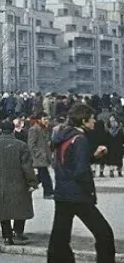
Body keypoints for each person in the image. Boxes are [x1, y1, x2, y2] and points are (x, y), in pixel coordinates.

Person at [47, 103, 115, 263]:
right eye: (91, 119)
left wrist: (92, 157)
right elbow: (80, 171)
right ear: (83, 121)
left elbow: (68, 163)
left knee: (60, 238)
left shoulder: (62, 135)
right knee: (104, 233)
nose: (94, 122)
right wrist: (90, 192)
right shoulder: (81, 139)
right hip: (78, 195)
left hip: (62, 193)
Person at [0, 119, 39, 245]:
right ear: (13, 130)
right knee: (21, 207)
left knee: (3, 210)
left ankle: (7, 236)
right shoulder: (21, 145)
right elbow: (27, 167)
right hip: (18, 182)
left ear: (1, 130)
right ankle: (18, 232)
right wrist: (32, 182)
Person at [28, 113, 54, 199]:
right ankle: (48, 193)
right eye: (44, 119)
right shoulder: (34, 129)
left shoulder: (43, 129)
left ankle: (29, 186)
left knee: (40, 176)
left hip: (43, 156)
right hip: (39, 157)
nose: (47, 121)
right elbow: (31, 144)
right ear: (39, 120)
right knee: (45, 176)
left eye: (47, 119)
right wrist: (37, 153)